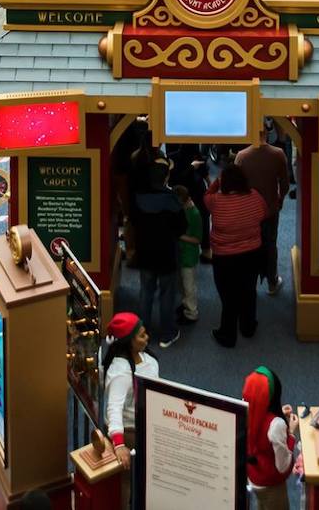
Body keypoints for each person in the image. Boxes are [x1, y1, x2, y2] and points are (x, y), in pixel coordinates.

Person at [202, 163, 268, 347]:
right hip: (252, 253)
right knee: (248, 291)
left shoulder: (216, 201)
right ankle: (248, 326)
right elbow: (263, 214)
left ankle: (228, 334)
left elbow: (205, 196)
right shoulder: (254, 196)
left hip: (224, 257)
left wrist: (216, 182)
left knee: (228, 296)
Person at [131, 161, 186, 349]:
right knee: (167, 294)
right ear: (166, 178)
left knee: (145, 292)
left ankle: (141, 332)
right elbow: (182, 227)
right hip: (167, 254)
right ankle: (167, 334)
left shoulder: (138, 197)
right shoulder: (172, 200)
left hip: (145, 253)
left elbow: (133, 222)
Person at [235, 138, 289, 296]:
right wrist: (280, 199)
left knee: (248, 246)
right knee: (270, 244)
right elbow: (285, 184)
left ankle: (248, 283)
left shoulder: (241, 156)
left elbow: (237, 186)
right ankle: (272, 282)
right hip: (270, 209)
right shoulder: (278, 154)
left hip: (248, 211)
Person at [243, 366, 299, 509]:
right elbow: (283, 465)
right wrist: (291, 433)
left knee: (262, 505)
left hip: (253, 475)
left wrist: (278, 412)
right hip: (270, 483)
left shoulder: (244, 408)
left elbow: (258, 418)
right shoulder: (276, 425)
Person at [102, 312, 159, 448]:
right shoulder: (121, 372)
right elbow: (114, 408)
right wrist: (120, 445)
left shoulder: (148, 358)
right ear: (129, 342)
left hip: (147, 422)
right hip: (130, 432)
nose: (147, 338)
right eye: (142, 335)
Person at [173, 184, 203, 325]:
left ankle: (192, 312)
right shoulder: (184, 210)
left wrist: (179, 236)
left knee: (189, 286)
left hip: (189, 257)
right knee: (182, 284)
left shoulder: (194, 214)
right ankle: (185, 305)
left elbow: (197, 239)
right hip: (181, 254)